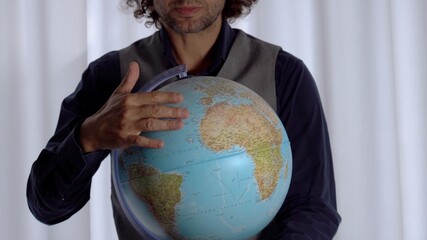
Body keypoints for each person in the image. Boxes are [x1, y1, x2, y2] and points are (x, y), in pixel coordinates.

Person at [26, 0, 341, 239]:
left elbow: (313, 208)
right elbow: (48, 207)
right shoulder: (110, 75)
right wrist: (89, 137)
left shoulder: (284, 75)